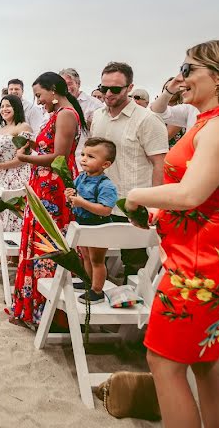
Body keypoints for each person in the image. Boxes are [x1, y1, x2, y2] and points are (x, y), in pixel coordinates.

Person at [125, 40, 219, 428]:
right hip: (197, 258)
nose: (180, 78)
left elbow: (191, 194)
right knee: (207, 365)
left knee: (165, 364)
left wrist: (137, 195)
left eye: (188, 70)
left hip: (198, 267)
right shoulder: (213, 122)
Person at [11, 72, 83, 328]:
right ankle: (33, 308)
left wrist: (26, 158)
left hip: (53, 187)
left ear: (54, 90)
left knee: (48, 242)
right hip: (42, 184)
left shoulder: (65, 114)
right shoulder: (56, 114)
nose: (38, 101)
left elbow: (59, 157)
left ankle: (50, 313)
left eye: (40, 95)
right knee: (38, 239)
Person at [90, 61, 168, 279]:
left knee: (136, 265)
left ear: (130, 88)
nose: (108, 93)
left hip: (132, 204)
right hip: (100, 202)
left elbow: (159, 164)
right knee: (96, 262)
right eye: (104, 87)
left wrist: (155, 206)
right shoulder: (98, 116)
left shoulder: (148, 120)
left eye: (115, 89)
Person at [65, 137, 118, 304]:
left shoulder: (106, 185)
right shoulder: (81, 178)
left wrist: (81, 202)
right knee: (86, 256)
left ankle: (97, 290)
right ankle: (88, 281)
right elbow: (73, 194)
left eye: (91, 156)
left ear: (106, 164)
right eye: (83, 154)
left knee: (97, 259)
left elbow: (105, 209)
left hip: (99, 226)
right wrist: (70, 195)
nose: (84, 159)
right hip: (83, 223)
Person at [0, 95, 33, 241]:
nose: (4, 109)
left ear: (16, 107)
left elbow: (22, 159)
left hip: (16, 175)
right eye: (2, 106)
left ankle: (13, 253)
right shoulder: (1, 129)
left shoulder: (23, 127)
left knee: (12, 212)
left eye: (8, 106)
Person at [60, 67, 105, 162]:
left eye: (70, 83)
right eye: (63, 84)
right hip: (61, 161)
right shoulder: (55, 104)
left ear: (78, 84)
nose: (67, 88)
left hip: (85, 161)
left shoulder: (94, 104)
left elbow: (101, 132)